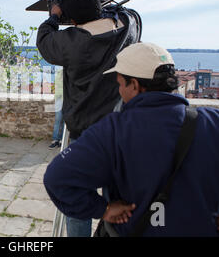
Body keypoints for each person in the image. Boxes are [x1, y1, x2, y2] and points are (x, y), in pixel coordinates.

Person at [44, 43, 219, 237]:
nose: (119, 91)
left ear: (134, 85)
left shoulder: (113, 131)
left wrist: (104, 209)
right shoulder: (213, 122)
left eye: (120, 84)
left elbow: (56, 178)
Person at [36, 0, 140, 236]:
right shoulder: (128, 26)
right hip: (120, 131)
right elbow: (131, 13)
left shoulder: (73, 42)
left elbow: (44, 40)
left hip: (84, 133)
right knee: (118, 197)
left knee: (76, 196)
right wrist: (97, 3)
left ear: (71, 18)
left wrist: (54, 15)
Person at [49, 67, 64, 148]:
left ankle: (62, 140)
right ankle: (55, 140)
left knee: (65, 121)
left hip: (68, 99)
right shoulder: (60, 71)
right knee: (58, 120)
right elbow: (58, 85)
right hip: (59, 98)